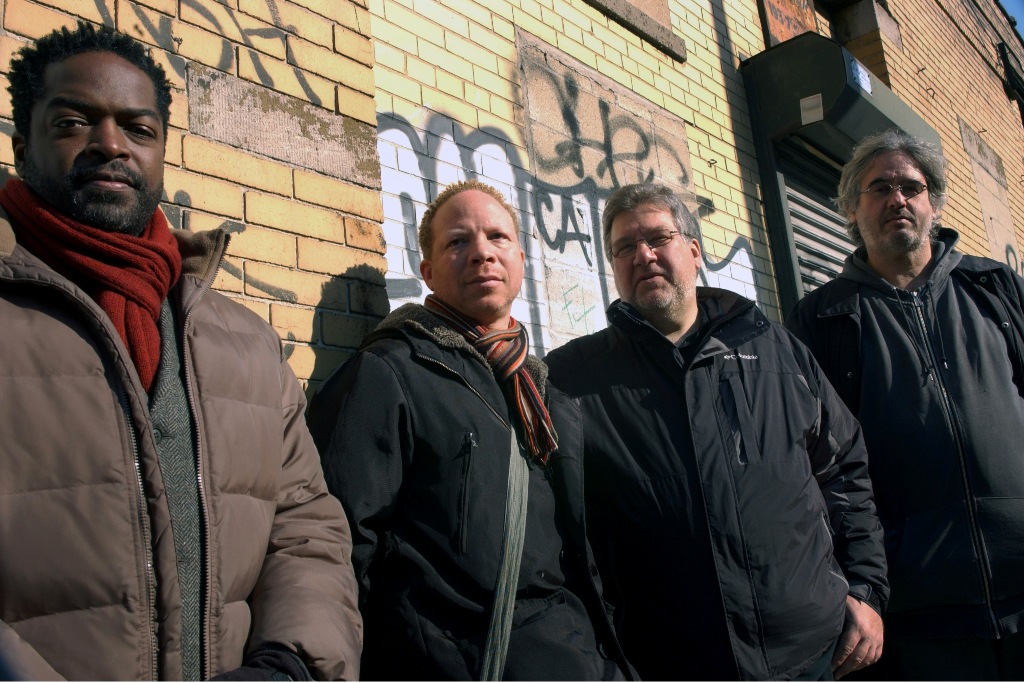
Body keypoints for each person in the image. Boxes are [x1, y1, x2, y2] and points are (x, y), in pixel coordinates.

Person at [0, 22, 361, 680]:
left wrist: (291, 664)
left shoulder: (244, 342)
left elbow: (305, 523)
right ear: (23, 147)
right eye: (74, 122)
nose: (111, 144)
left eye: (138, 128)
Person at [545, 183, 889, 681]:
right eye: (624, 247)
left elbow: (845, 470)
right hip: (670, 666)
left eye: (658, 238)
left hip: (813, 654)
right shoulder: (573, 379)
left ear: (693, 251)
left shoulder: (778, 352)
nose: (643, 255)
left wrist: (865, 588)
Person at [307, 179, 631, 681]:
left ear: (520, 258)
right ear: (428, 272)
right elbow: (337, 546)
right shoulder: (391, 373)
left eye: (497, 237)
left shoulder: (546, 395)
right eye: (458, 242)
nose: (482, 252)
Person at [787, 129, 1024, 680]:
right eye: (880, 188)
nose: (897, 198)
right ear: (851, 208)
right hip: (919, 611)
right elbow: (814, 469)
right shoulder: (821, 319)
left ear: (933, 203)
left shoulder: (995, 289)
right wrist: (859, 586)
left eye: (911, 187)